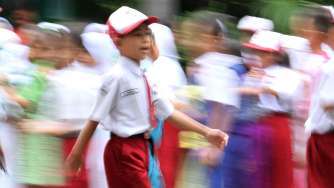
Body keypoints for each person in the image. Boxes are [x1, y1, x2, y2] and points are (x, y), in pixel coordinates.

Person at [65, 6, 228, 188]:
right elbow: (95, 117)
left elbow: (168, 110)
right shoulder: (116, 77)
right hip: (122, 148)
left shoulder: (145, 76)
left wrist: (206, 132)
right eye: (137, 35)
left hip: (144, 147)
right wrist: (77, 152)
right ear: (118, 42)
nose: (145, 41)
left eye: (147, 35)